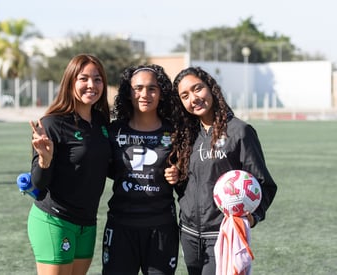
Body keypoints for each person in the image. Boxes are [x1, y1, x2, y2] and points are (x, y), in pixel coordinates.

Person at [168, 66, 277, 275]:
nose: (194, 98)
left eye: (197, 88)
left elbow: (265, 184)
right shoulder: (188, 135)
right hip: (189, 234)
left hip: (223, 234)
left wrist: (251, 218)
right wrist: (175, 177)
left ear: (211, 88)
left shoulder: (239, 131)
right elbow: (190, 185)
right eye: (185, 95)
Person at [27, 54, 112, 275]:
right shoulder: (52, 123)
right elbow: (38, 185)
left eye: (98, 79)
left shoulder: (102, 122)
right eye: (83, 78)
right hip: (55, 220)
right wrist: (45, 161)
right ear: (70, 81)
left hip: (87, 222)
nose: (91, 85)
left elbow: (107, 167)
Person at [102, 64, 180, 275]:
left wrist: (178, 174)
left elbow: (188, 174)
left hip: (161, 227)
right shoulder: (113, 131)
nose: (144, 94)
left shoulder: (174, 132)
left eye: (152, 88)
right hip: (120, 227)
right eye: (138, 88)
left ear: (162, 93)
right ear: (128, 92)